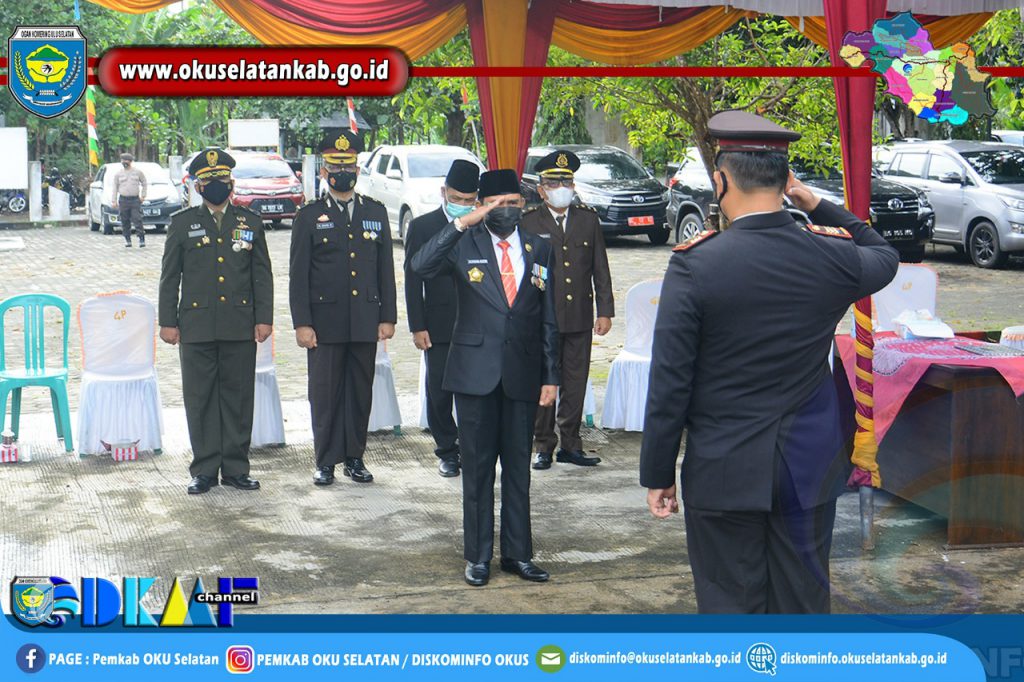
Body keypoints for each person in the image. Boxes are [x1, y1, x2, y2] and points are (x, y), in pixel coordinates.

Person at [639, 110, 899, 614]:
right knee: (802, 604)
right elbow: (883, 254)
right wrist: (816, 203)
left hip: (723, 466)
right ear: (785, 183)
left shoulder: (696, 264)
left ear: (721, 181)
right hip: (809, 465)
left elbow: (670, 381)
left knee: (729, 605)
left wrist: (659, 471)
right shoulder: (832, 255)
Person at [412, 169, 559, 587]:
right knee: (477, 471)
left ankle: (518, 554)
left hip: (521, 374)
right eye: (497, 204)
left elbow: (548, 317)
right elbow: (421, 265)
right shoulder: (464, 243)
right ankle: (478, 557)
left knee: (518, 471)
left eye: (513, 203)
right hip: (475, 375)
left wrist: (550, 376)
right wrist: (462, 223)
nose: (507, 210)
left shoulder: (538, 247)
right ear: (482, 206)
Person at [159, 148, 273, 495]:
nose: (217, 185)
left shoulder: (250, 222)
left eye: (222, 179)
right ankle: (205, 469)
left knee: (238, 398)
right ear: (198, 186)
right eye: (209, 181)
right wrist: (167, 321)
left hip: (239, 323)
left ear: (232, 183)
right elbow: (170, 277)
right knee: (201, 399)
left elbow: (262, 275)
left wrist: (264, 318)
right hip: (196, 326)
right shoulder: (182, 223)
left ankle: (236, 468)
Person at [289, 130, 397, 487]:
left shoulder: (375, 212)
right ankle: (325, 461)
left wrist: (387, 316)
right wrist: (302, 323)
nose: (342, 172)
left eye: (348, 165)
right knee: (325, 394)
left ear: (357, 169)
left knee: (359, 392)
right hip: (325, 322)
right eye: (335, 166)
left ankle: (355, 458)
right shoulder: (309, 215)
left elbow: (385, 269)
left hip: (365, 318)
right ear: (324, 171)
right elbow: (298, 275)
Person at [521, 150, 614, 470]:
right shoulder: (528, 221)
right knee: (544, 380)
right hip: (542, 318)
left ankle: (571, 444)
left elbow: (600, 267)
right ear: (541, 189)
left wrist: (605, 310)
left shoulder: (587, 219)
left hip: (579, 316)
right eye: (554, 183)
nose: (561, 188)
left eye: (567, 182)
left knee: (575, 381)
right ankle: (543, 444)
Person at [404, 159, 479, 478]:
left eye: (469, 200)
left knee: (475, 390)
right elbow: (412, 280)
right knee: (439, 391)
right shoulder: (423, 226)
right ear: (443, 192)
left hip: (477, 323)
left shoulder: (481, 225)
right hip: (438, 324)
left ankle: (473, 448)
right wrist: (417, 326)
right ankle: (447, 450)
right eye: (456, 198)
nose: (462, 204)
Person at [112, 152, 147, 246]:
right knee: (124, 220)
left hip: (135, 200)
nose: (124, 162)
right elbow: (115, 187)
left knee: (137, 219)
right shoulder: (118, 174)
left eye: (126, 160)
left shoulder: (138, 172)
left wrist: (143, 196)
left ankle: (141, 239)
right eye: (122, 160)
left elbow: (144, 183)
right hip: (123, 200)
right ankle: (128, 240)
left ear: (130, 161)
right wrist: (114, 200)